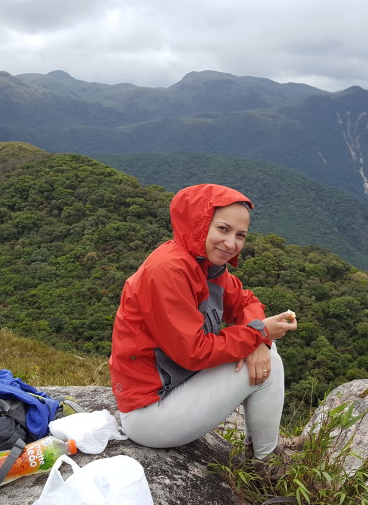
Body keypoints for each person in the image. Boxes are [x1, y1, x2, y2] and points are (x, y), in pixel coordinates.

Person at [109, 183, 298, 463]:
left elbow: (246, 302)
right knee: (270, 365)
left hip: (178, 389)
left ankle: (263, 450)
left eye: (240, 235)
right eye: (223, 229)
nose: (231, 243)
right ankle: (266, 465)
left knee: (267, 354)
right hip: (149, 412)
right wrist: (258, 335)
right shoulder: (167, 270)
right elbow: (193, 352)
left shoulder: (207, 266)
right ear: (200, 224)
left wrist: (259, 338)